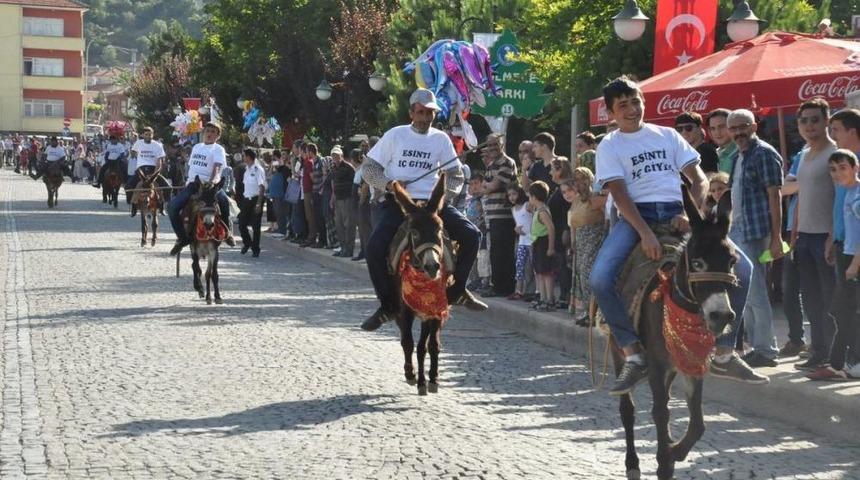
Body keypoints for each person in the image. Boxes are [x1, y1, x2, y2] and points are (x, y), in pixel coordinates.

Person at [590, 77, 763, 396]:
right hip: (635, 217)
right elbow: (619, 193)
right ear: (612, 111)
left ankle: (725, 351)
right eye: (623, 105)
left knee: (744, 268)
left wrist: (691, 213)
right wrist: (645, 233)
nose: (631, 109)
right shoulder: (610, 145)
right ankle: (632, 353)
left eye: (635, 101)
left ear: (643, 101)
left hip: (676, 212)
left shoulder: (668, 135)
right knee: (600, 279)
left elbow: (698, 179)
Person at [360, 88, 487, 331]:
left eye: (430, 113)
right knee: (374, 248)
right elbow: (370, 169)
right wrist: (390, 185)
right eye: (421, 112)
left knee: (472, 235)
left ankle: (458, 289)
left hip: (431, 205)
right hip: (401, 203)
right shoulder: (395, 135)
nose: (426, 117)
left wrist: (443, 198)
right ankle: (387, 306)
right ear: (411, 112)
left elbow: (455, 174)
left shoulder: (440, 139)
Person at [726, 108, 784, 367]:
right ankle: (755, 346)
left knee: (756, 291)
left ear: (754, 126)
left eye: (742, 126)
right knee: (745, 290)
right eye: (734, 128)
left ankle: (767, 350)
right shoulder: (740, 156)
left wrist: (776, 236)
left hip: (756, 232)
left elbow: (775, 196)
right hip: (738, 230)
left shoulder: (764, 153)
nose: (738, 132)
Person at [790, 99, 838, 371]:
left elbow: (840, 199)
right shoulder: (804, 154)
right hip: (804, 237)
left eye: (815, 119)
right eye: (804, 121)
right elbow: (800, 197)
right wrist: (794, 234)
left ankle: (834, 353)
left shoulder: (835, 154)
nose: (809, 126)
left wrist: (833, 235)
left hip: (825, 236)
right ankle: (818, 350)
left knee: (830, 299)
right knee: (811, 298)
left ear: (827, 120)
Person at [806, 149, 860, 380]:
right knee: (844, 313)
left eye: (843, 168)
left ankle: (844, 363)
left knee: (846, 312)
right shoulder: (847, 192)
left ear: (855, 168)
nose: (837, 174)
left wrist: (854, 265)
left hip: (854, 260)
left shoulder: (857, 195)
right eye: (833, 169)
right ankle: (842, 363)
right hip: (846, 255)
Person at [167, 122, 235, 255]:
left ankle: (228, 233)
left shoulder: (218, 149)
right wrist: (187, 181)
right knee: (172, 207)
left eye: (213, 132)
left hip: (210, 186)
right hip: (194, 185)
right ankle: (182, 238)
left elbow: (217, 167)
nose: (209, 134)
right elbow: (191, 166)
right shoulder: (197, 147)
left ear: (217, 136)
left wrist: (213, 181)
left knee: (224, 203)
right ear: (204, 133)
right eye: (208, 131)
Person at [561, 168, 606, 326]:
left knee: (590, 277)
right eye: (576, 180)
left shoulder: (596, 198)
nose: (580, 183)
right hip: (580, 243)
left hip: (595, 241)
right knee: (582, 279)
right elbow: (573, 223)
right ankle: (588, 311)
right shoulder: (576, 201)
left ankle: (597, 313)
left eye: (583, 179)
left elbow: (607, 219)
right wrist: (572, 245)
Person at [480, 133, 518, 297]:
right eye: (490, 145)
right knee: (495, 252)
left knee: (503, 252)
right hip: (492, 215)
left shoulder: (507, 162)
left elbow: (491, 187)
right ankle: (497, 284)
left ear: (502, 145)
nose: (492, 148)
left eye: (496, 144)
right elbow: (483, 188)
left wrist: (487, 186)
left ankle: (504, 287)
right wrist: (487, 186)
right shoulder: (492, 165)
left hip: (504, 215)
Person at [126, 127, 170, 217]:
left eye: (150, 134)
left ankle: (162, 206)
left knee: (168, 187)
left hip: (153, 171)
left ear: (152, 135)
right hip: (141, 170)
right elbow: (133, 152)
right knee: (128, 186)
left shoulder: (158, 145)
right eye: (146, 134)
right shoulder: (138, 143)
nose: (148, 136)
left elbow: (160, 161)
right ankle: (133, 205)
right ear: (142, 135)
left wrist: (155, 173)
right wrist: (135, 155)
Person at [528, 181, 556, 311]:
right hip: (537, 243)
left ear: (534, 196)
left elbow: (551, 228)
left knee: (546, 273)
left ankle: (549, 299)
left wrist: (550, 248)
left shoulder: (543, 211)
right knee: (540, 272)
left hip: (543, 243)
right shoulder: (537, 210)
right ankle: (543, 298)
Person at [238, 149, 266, 257]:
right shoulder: (246, 170)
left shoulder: (258, 169)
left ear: (249, 157)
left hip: (256, 199)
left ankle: (255, 249)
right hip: (247, 198)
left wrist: (259, 203)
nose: (243, 158)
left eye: (244, 156)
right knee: (241, 223)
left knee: (255, 226)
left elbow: (262, 187)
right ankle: (247, 242)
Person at [330, 145, 357, 257]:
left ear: (341, 155)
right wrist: (332, 198)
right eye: (333, 155)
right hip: (338, 199)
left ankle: (349, 250)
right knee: (339, 225)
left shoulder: (348, 167)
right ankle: (343, 248)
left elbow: (355, 182)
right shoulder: (333, 168)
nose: (335, 157)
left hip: (347, 199)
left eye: (337, 155)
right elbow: (333, 184)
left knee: (348, 225)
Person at [508, 185, 533, 301]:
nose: (512, 197)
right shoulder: (513, 210)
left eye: (514, 194)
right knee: (519, 265)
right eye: (509, 195)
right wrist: (516, 230)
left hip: (532, 240)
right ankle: (519, 290)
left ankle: (534, 291)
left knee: (533, 267)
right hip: (522, 242)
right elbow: (518, 224)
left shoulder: (526, 206)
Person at [707, 108, 737, 174]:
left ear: (733, 127)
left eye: (721, 126)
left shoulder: (741, 153)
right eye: (713, 128)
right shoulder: (714, 154)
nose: (717, 132)